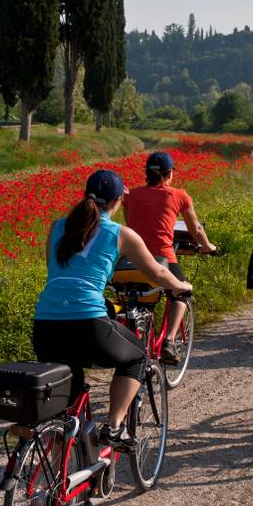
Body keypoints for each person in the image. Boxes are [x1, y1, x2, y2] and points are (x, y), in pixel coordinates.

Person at [33, 169, 192, 449]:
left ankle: (60, 480)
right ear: (118, 200)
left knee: (68, 401)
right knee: (137, 357)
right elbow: (156, 271)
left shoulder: (58, 226)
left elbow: (54, 270)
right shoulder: (120, 233)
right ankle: (115, 428)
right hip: (87, 324)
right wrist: (180, 286)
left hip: (45, 325)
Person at [122, 151, 215, 365]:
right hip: (162, 257)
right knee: (181, 292)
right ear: (170, 173)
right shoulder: (179, 195)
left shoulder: (131, 195)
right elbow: (195, 229)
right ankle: (169, 341)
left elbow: (130, 226)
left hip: (131, 259)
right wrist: (208, 246)